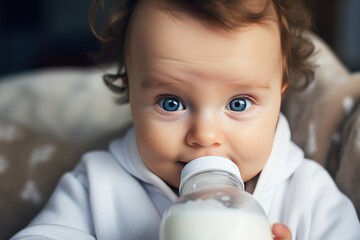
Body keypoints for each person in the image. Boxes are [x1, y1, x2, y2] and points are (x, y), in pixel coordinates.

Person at [12, 0, 360, 239]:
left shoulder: (307, 192)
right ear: (131, 96)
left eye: (238, 103)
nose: (205, 136)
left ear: (279, 96)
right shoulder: (98, 184)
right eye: (171, 102)